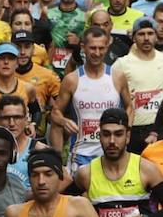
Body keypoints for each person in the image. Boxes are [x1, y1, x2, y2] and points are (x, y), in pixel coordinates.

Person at [53, 26, 127, 169]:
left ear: (107, 47)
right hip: (80, 155)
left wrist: (125, 130)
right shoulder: (72, 80)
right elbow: (55, 113)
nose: (97, 53)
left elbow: (130, 106)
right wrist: (63, 121)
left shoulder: (117, 76)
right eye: (92, 48)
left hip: (110, 153)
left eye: (101, 48)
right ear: (83, 47)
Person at [113, 17, 163, 151]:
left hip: (160, 126)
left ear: (156, 36)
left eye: (150, 33)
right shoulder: (122, 63)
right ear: (134, 38)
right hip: (133, 126)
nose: (146, 38)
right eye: (141, 34)